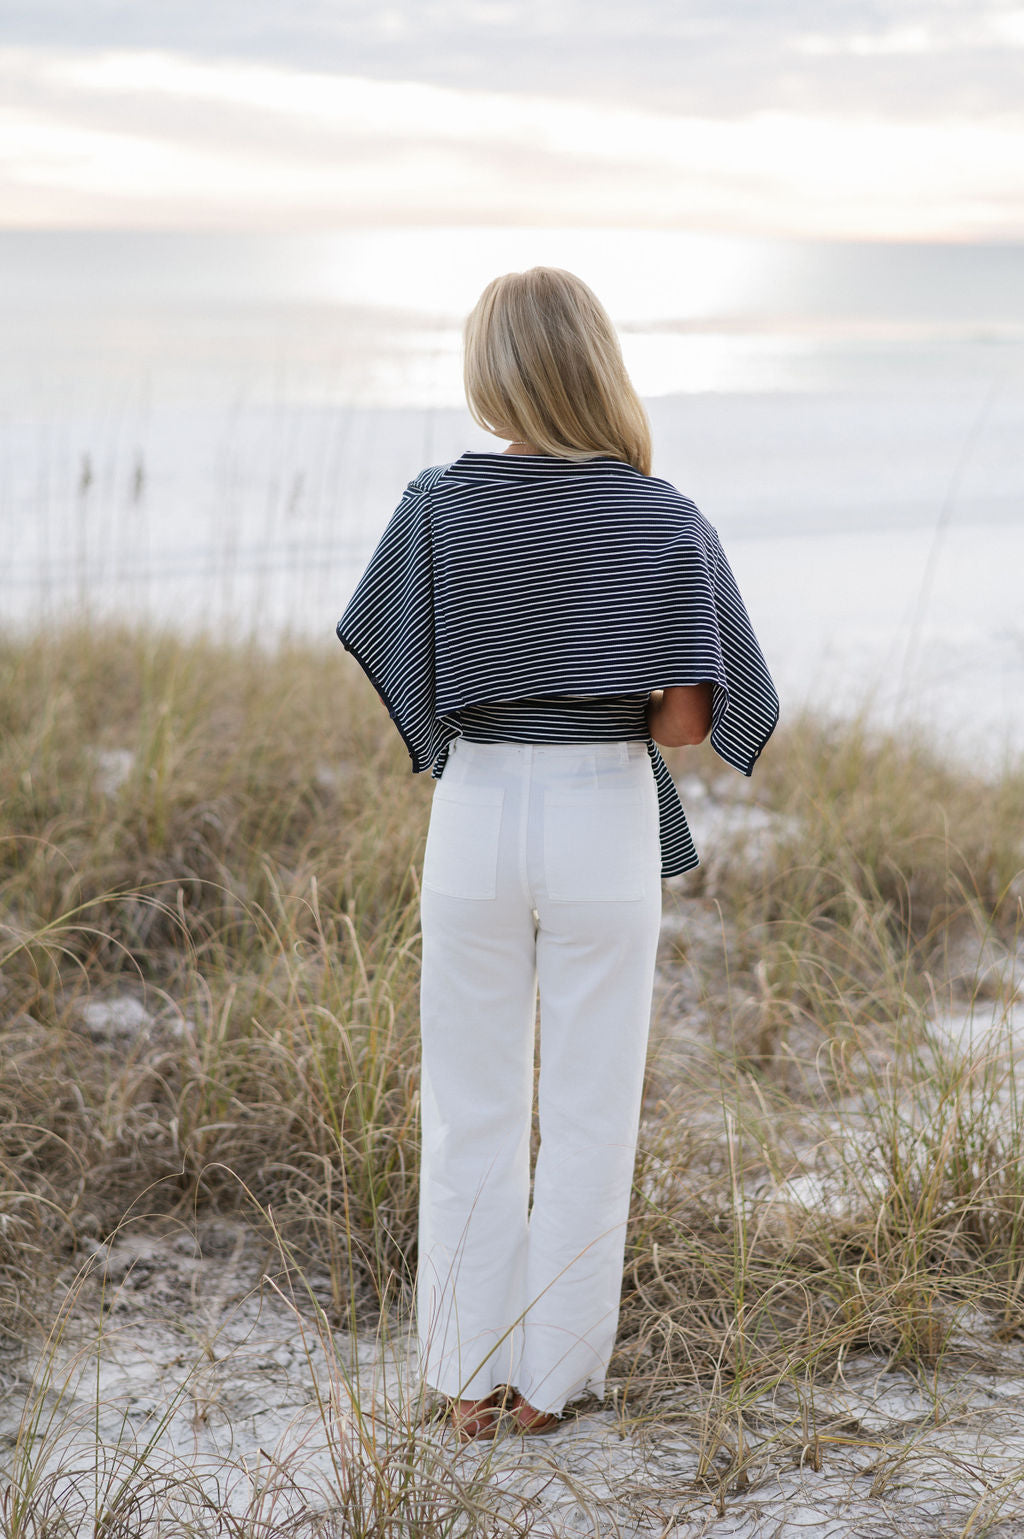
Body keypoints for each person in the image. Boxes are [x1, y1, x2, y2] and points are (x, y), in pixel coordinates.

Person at [337, 266, 779, 1443]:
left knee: (469, 1104)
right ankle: (552, 1382)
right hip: (600, 818)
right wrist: (593, 697)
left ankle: (465, 1376)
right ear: (596, 362)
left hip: (477, 812)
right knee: (589, 1109)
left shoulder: (436, 504)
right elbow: (691, 721)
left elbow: (409, 671)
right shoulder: (662, 513)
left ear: (491, 373)